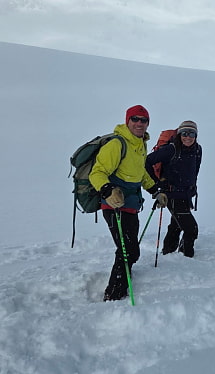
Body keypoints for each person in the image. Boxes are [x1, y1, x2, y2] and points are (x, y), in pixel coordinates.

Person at [89, 105, 160, 301]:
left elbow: (140, 173)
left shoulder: (140, 144)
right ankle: (114, 294)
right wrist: (107, 190)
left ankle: (124, 276)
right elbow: (97, 172)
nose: (139, 123)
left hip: (131, 205)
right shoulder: (117, 144)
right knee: (127, 250)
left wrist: (154, 190)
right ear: (127, 121)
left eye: (143, 120)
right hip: (114, 205)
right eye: (135, 119)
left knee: (131, 250)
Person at [145, 120, 202, 258]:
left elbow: (195, 170)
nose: (188, 137)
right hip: (171, 194)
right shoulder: (171, 149)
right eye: (184, 133)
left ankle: (168, 253)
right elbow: (146, 161)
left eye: (191, 134)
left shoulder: (198, 149)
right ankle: (187, 256)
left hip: (186, 194)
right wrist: (157, 183)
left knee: (176, 225)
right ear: (179, 134)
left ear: (195, 135)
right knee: (191, 229)